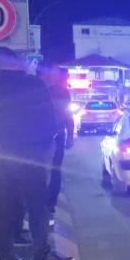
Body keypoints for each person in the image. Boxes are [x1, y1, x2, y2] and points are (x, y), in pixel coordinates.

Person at [0, 47, 74, 260]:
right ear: (15, 62)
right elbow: (49, 122)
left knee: (1, 205)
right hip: (29, 154)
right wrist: (42, 146)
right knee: (36, 204)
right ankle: (41, 256)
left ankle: (4, 257)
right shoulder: (33, 84)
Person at [38, 64, 75, 224]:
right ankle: (42, 204)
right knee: (41, 171)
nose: (55, 76)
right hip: (39, 137)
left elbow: (67, 115)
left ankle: (49, 205)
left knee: (54, 171)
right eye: (52, 73)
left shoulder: (61, 92)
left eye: (56, 74)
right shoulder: (36, 90)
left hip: (56, 135)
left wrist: (70, 135)